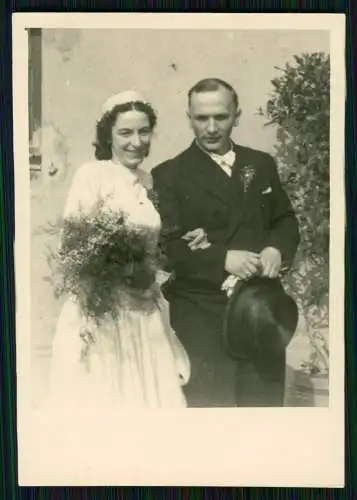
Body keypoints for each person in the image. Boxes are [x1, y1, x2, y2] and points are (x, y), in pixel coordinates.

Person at [151, 78, 300, 407]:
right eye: (201, 118)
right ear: (189, 118)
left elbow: (285, 220)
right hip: (202, 315)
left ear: (237, 116)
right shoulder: (169, 175)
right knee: (210, 418)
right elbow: (167, 248)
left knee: (263, 414)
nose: (211, 127)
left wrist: (276, 247)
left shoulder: (260, 164)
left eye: (221, 116)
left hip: (260, 310)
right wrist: (222, 258)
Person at [48, 90, 190, 411]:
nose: (136, 142)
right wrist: (116, 273)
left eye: (143, 132)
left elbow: (155, 242)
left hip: (143, 306)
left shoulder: (148, 181)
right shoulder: (93, 175)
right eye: (125, 132)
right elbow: (72, 244)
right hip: (104, 308)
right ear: (108, 135)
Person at [223, 277, 299, 406]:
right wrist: (222, 260)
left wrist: (277, 255)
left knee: (264, 414)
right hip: (205, 315)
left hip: (264, 313)